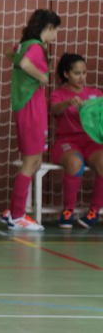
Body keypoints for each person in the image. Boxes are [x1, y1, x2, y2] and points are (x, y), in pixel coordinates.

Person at [6, 9, 60, 231]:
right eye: (55, 31)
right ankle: (17, 215)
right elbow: (26, 63)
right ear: (47, 28)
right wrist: (42, 77)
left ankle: (13, 211)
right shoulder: (36, 47)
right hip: (30, 108)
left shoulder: (24, 44)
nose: (55, 36)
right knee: (30, 163)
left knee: (35, 161)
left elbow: (13, 54)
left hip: (30, 107)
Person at [48, 53, 103, 230]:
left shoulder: (96, 94)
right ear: (66, 74)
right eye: (77, 73)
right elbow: (55, 109)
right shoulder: (58, 94)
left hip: (92, 142)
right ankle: (68, 211)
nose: (82, 77)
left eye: (84, 73)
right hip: (67, 142)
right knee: (74, 163)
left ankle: (94, 212)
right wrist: (68, 103)